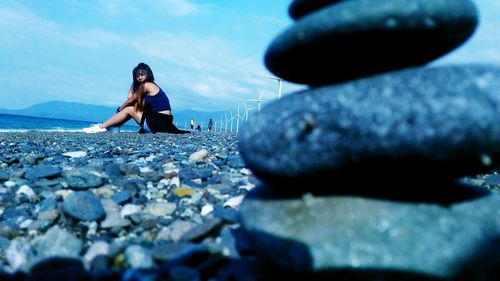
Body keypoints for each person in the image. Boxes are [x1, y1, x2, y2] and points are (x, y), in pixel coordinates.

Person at [83, 63, 190, 134]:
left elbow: (130, 99)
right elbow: (130, 97)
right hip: (162, 123)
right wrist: (134, 82)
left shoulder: (147, 85)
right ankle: (114, 127)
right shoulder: (147, 87)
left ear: (148, 74)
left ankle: (100, 127)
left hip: (159, 121)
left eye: (142, 74)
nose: (139, 77)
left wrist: (120, 109)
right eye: (137, 76)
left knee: (130, 109)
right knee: (134, 107)